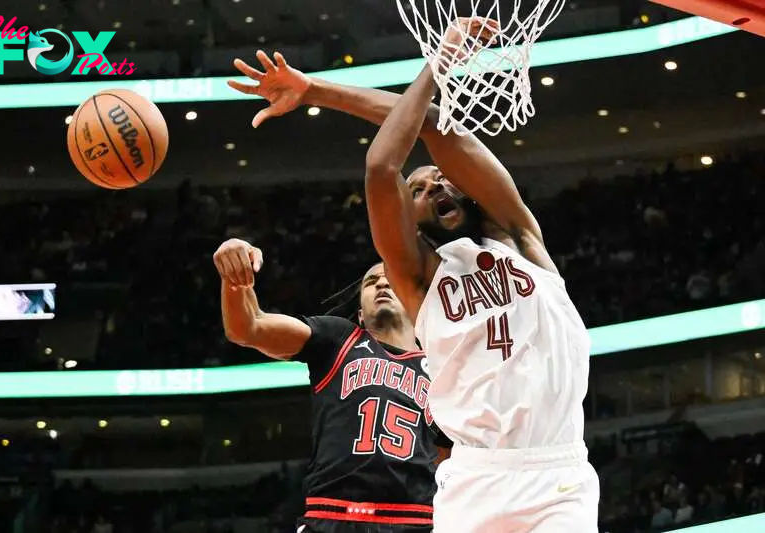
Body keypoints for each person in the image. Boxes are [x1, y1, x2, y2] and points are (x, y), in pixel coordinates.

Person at [226, 17, 598, 533]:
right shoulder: (416, 279)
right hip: (474, 480)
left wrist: (314, 89)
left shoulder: (519, 236)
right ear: (411, 218)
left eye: (442, 178)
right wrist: (438, 59)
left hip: (557, 473)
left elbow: (433, 126)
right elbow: (382, 165)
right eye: (419, 188)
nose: (435, 182)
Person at [213, 237, 450, 532]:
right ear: (360, 314)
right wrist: (236, 282)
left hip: (413, 520)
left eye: (390, 279)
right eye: (371, 282)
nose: (381, 284)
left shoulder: (444, 368)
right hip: (333, 514)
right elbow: (247, 327)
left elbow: (449, 459)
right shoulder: (340, 338)